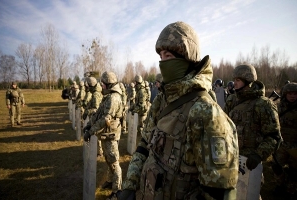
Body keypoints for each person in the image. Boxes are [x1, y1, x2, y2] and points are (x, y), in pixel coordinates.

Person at [119, 21, 238, 200]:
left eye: (168, 56)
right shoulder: (162, 100)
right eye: (161, 56)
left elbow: (218, 192)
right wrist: (130, 184)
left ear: (187, 57)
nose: (162, 62)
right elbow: (144, 144)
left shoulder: (206, 113)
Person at [224, 64, 282, 196]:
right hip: (230, 159)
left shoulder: (263, 105)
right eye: (234, 80)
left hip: (250, 163)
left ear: (248, 81)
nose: (234, 83)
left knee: (249, 194)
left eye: (238, 80)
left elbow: (274, 137)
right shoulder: (232, 100)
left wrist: (258, 155)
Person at [83, 71, 124, 199]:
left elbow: (105, 119)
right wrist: (89, 124)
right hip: (106, 134)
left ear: (109, 84)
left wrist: (91, 131)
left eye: (103, 83)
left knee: (114, 162)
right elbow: (98, 113)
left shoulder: (114, 98)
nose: (101, 85)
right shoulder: (108, 96)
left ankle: (117, 191)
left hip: (111, 134)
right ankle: (110, 181)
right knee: (108, 159)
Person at [272, 82, 297, 197]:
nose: (292, 96)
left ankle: (291, 190)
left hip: (294, 146)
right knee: (277, 167)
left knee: (293, 171)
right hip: (280, 144)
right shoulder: (278, 107)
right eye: (290, 93)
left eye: (295, 94)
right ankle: (279, 186)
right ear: (285, 94)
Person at [84, 76, 104, 157]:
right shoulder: (95, 92)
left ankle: (99, 152)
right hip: (95, 117)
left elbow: (95, 109)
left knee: (96, 135)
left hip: (96, 118)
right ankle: (99, 151)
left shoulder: (96, 94)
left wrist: (87, 112)